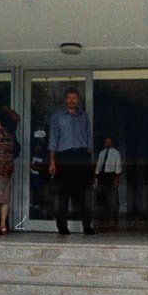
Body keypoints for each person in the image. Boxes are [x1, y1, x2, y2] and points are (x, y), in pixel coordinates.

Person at [48, 87, 95, 235]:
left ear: (78, 100)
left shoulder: (84, 116)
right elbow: (53, 138)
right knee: (63, 192)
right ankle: (62, 226)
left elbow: (89, 136)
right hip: (64, 156)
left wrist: (89, 155)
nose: (71, 100)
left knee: (84, 193)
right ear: (65, 100)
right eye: (69, 98)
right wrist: (52, 161)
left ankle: (87, 226)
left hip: (82, 156)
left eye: (74, 98)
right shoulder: (57, 116)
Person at [93, 136, 123, 226]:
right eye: (106, 142)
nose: (107, 144)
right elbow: (99, 165)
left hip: (111, 175)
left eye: (109, 142)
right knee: (101, 197)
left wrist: (116, 179)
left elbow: (118, 166)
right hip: (102, 176)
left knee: (113, 197)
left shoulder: (116, 153)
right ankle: (102, 217)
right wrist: (96, 176)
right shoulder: (102, 153)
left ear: (112, 143)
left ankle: (115, 217)